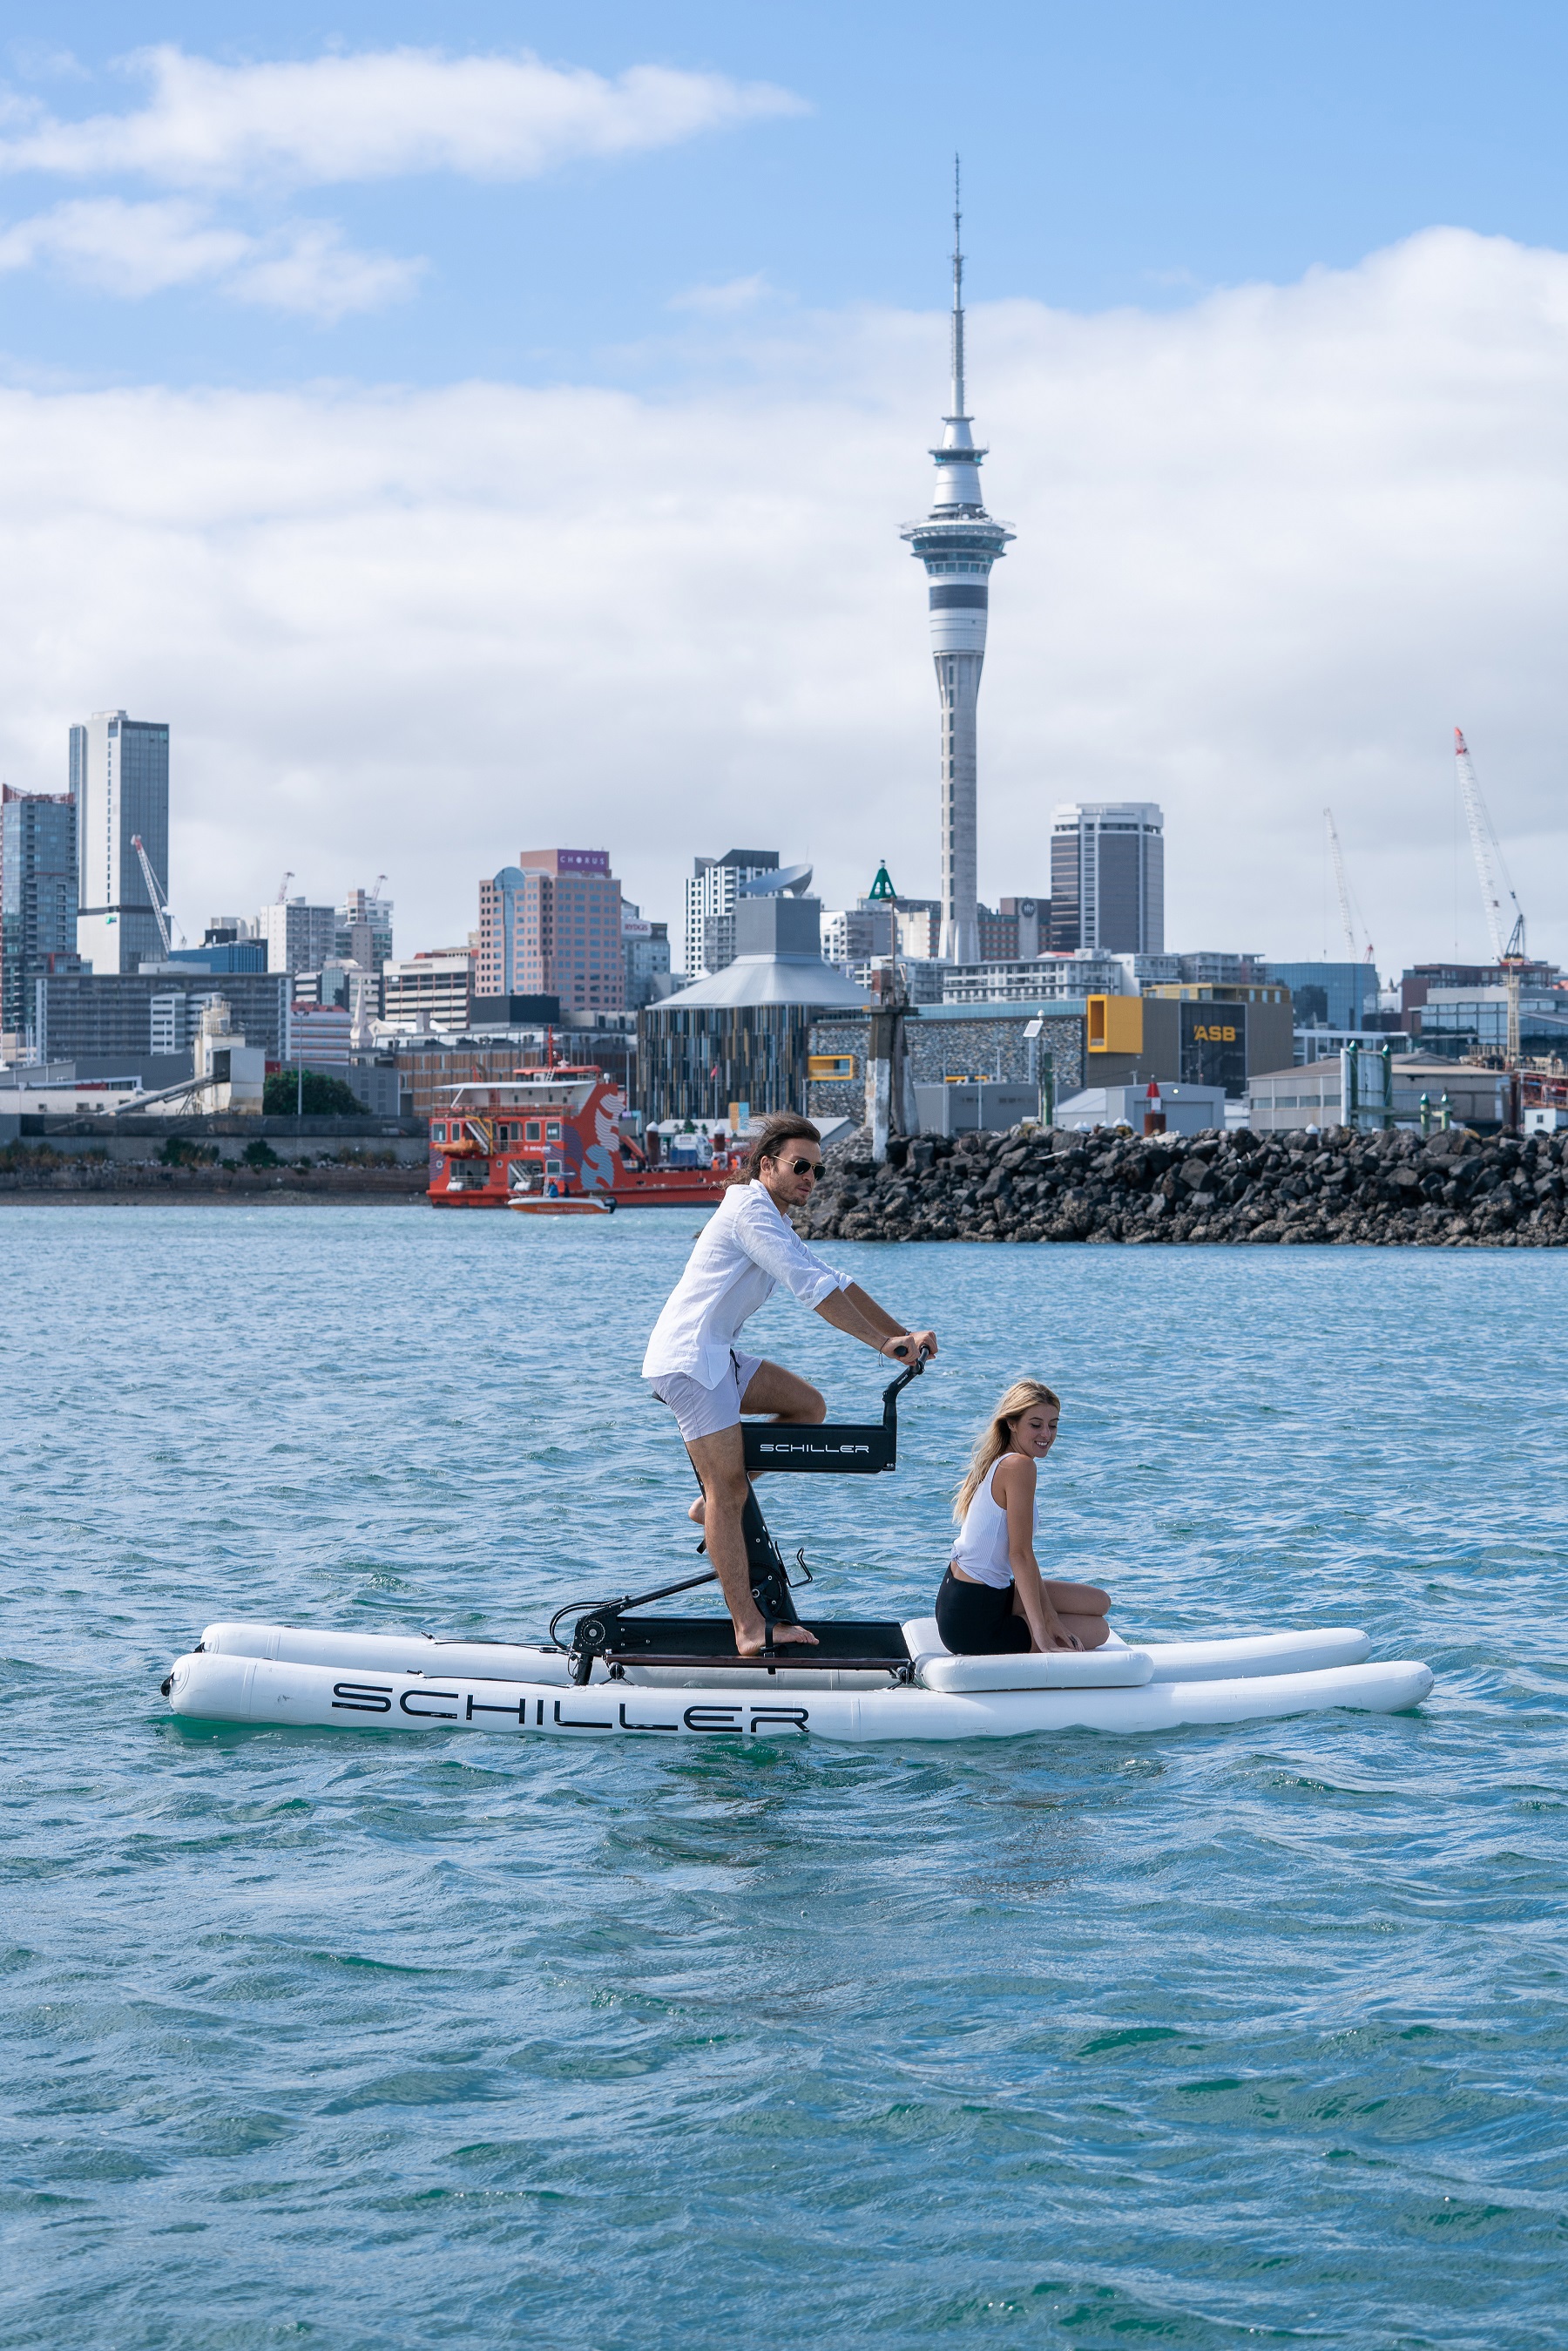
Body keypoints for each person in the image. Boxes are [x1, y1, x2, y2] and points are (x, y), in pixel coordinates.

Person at [643, 1113, 938, 1656]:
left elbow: (838, 1282)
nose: (810, 1178)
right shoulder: (749, 1211)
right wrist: (880, 1345)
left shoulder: (772, 1216)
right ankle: (749, 1627)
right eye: (801, 1166)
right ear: (767, 1165)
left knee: (807, 1408)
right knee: (730, 1493)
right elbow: (812, 1291)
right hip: (688, 1364)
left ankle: (709, 1506)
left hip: (717, 1359)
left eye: (817, 1171)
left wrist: (903, 1333)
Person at [935, 1378, 1111, 1655]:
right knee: (1098, 1631)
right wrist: (1043, 1636)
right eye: (1036, 1424)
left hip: (963, 1597)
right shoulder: (1019, 1466)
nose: (1046, 1434)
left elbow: (1021, 1558)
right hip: (972, 1620)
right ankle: (1029, 1629)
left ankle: (1036, 1622)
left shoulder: (1002, 1460)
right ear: (1012, 1423)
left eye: (1053, 1425)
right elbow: (1020, 1555)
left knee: (1100, 1602)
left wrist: (1051, 1618)